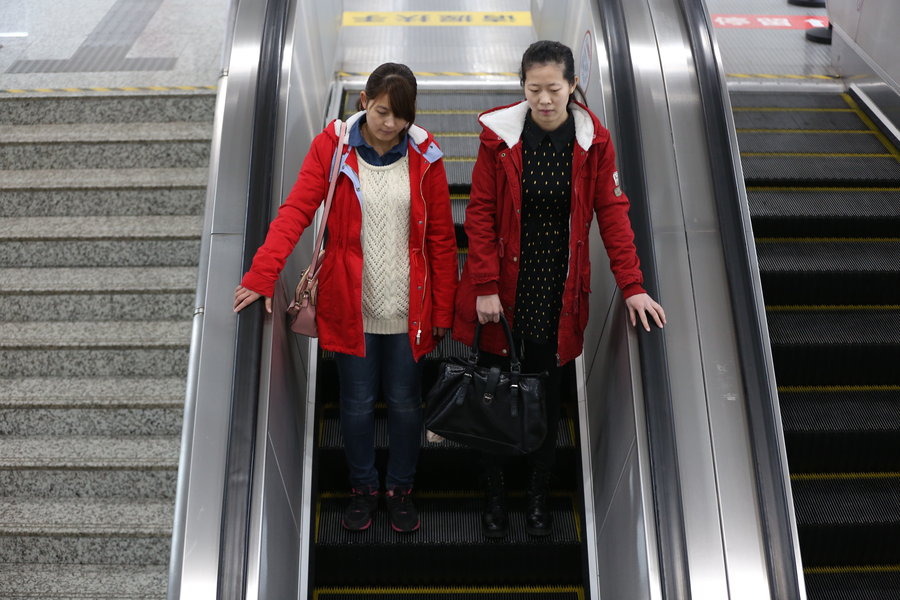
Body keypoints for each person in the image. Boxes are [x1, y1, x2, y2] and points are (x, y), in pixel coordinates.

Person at [453, 41, 666, 538]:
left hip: (559, 292)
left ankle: (537, 496)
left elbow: (612, 214)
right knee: (492, 393)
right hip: (504, 291)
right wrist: (485, 285)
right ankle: (494, 496)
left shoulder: (594, 144)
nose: (544, 100)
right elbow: (480, 213)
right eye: (534, 89)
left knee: (545, 397)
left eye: (553, 88)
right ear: (522, 87)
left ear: (572, 85)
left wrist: (632, 285)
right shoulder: (499, 140)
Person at [234, 63, 458, 533]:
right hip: (351, 305)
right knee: (355, 403)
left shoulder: (425, 154)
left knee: (406, 403)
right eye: (382, 112)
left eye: (401, 115)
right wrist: (262, 274)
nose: (391, 124)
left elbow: (440, 238)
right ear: (363, 101)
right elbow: (296, 210)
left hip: (410, 308)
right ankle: (363, 489)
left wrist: (442, 309)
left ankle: (400, 489)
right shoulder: (332, 147)